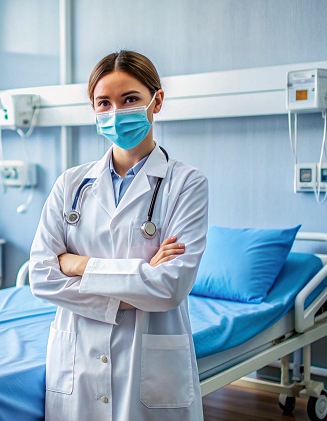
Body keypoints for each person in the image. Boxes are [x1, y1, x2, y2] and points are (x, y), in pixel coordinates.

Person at [29, 50, 208, 421]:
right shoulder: (71, 184)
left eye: (129, 100)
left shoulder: (186, 184)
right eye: (103, 103)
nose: (115, 113)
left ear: (156, 101)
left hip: (150, 365)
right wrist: (133, 288)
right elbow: (41, 276)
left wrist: (79, 264)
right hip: (76, 362)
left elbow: (169, 288)